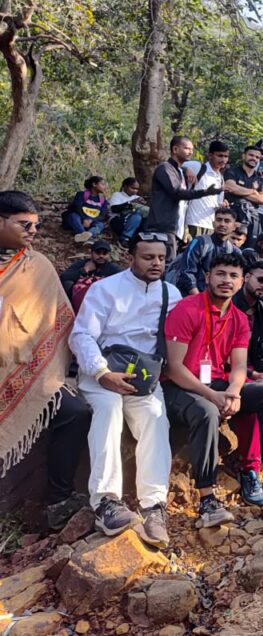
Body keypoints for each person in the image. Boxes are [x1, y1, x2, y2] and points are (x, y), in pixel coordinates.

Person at [162, 254, 263, 524]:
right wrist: (214, 396)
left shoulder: (239, 318)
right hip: (179, 385)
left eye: (233, 276)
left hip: (217, 382)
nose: (226, 280)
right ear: (207, 277)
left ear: (241, 281)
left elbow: (239, 364)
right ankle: (207, 500)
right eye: (220, 274)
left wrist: (234, 390)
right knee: (207, 411)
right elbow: (174, 367)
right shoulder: (187, 309)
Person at [69, 233, 180, 546]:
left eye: (161, 258)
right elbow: (81, 336)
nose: (156, 263)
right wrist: (102, 373)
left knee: (155, 417)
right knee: (109, 409)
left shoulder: (171, 293)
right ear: (131, 257)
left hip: (142, 379)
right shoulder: (105, 289)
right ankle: (106, 502)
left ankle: (154, 506)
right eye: (148, 257)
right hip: (103, 372)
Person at [0, 191, 91, 531]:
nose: (33, 232)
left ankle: (59, 500)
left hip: (30, 373)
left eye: (36, 225)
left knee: (76, 412)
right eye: (25, 225)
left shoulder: (36, 266)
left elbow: (60, 320)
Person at [149, 136, 221, 259]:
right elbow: (177, 193)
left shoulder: (180, 172)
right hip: (162, 227)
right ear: (175, 149)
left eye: (192, 149)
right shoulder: (165, 168)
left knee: (172, 263)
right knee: (162, 263)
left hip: (177, 229)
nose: (190, 152)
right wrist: (204, 192)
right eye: (187, 148)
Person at [172, 207, 241, 296]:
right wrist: (199, 298)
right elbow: (186, 272)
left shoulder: (235, 252)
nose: (222, 224)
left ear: (234, 227)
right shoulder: (199, 243)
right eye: (219, 220)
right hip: (192, 296)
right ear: (213, 223)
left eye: (227, 221)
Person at [183, 141, 230, 238]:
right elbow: (172, 165)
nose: (223, 159)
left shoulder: (220, 178)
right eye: (220, 156)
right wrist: (186, 169)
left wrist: (222, 206)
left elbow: (217, 204)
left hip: (210, 226)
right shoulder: (198, 167)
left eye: (226, 156)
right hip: (192, 222)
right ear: (210, 155)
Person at [59, 240, 123, 310]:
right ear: (92, 253)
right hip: (80, 299)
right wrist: (85, 270)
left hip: (102, 302)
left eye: (104, 253)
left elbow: (125, 280)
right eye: (98, 253)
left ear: (109, 254)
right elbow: (63, 277)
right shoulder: (83, 264)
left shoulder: (113, 268)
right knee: (67, 283)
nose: (101, 256)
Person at [223, 145, 263, 244]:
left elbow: (262, 199)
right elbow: (230, 187)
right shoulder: (232, 171)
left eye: (257, 157)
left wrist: (238, 191)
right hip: (232, 215)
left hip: (252, 218)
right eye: (251, 155)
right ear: (244, 156)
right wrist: (253, 191)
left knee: (249, 247)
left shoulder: (260, 178)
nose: (254, 158)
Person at [62, 175, 110, 245]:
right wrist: (85, 219)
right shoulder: (81, 194)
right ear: (94, 184)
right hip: (79, 221)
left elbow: (102, 215)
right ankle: (85, 235)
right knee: (73, 216)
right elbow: (77, 208)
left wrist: (90, 220)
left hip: (91, 222)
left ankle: (88, 234)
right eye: (102, 184)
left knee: (100, 225)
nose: (104, 187)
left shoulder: (102, 200)